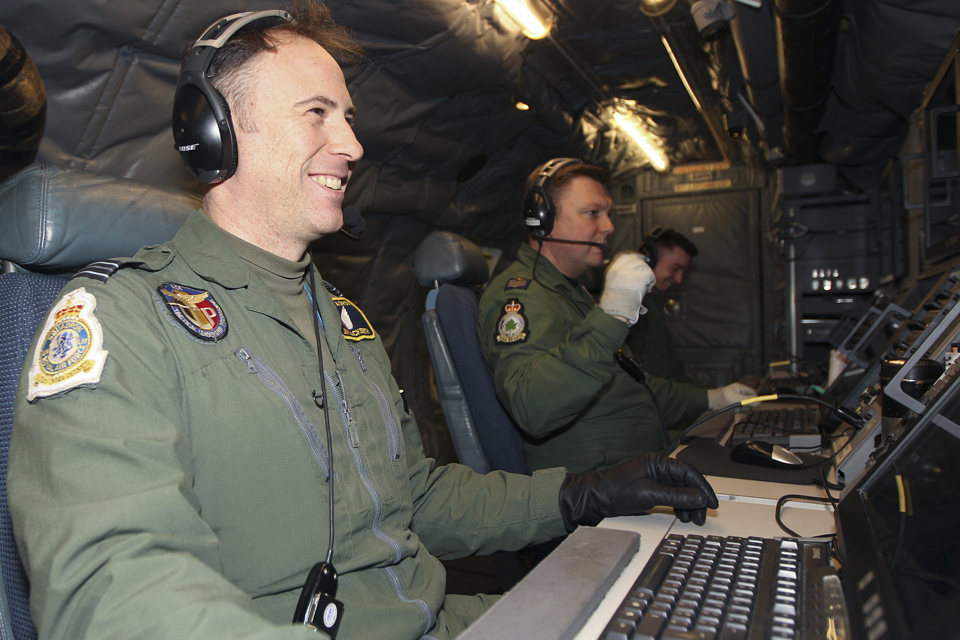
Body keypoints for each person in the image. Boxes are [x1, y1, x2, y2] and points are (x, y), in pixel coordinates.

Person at [7, 5, 719, 640]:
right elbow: (111, 587)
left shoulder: (343, 321)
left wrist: (578, 494)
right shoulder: (122, 320)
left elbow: (417, 496)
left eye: (348, 117)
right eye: (317, 114)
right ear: (213, 132)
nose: (352, 144)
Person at [478, 159, 755, 474]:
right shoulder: (520, 298)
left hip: (636, 471)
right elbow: (533, 406)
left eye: (608, 213)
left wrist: (712, 398)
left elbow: (636, 386)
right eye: (593, 213)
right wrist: (611, 317)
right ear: (541, 218)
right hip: (595, 493)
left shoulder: (571, 293)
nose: (609, 226)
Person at [624, 227, 708, 386]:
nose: (679, 279)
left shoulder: (652, 301)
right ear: (650, 259)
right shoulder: (635, 303)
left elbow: (673, 374)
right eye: (675, 269)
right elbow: (660, 377)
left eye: (683, 272)